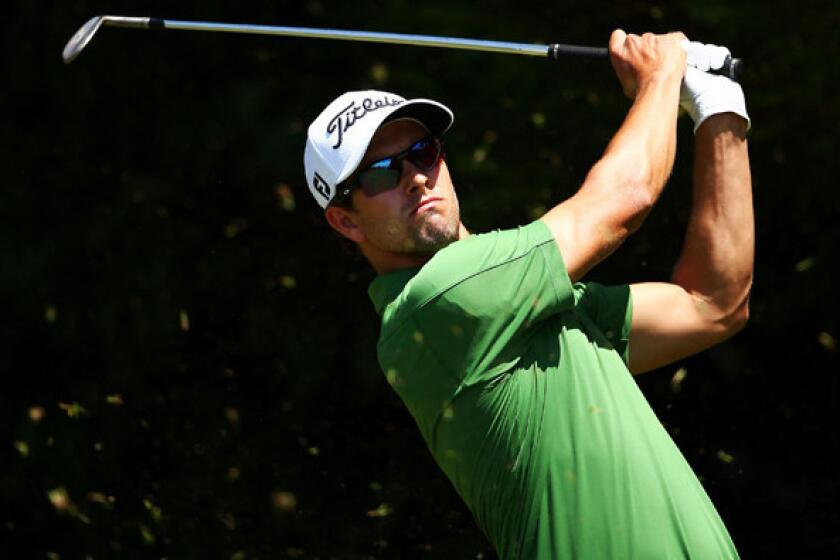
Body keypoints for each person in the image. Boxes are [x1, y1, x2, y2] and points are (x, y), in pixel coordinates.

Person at [303, 29, 752, 559]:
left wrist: (719, 111)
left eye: (423, 152)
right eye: (382, 173)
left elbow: (714, 305)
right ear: (345, 220)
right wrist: (662, 75)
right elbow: (624, 200)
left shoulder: (522, 305)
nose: (417, 179)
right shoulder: (438, 301)